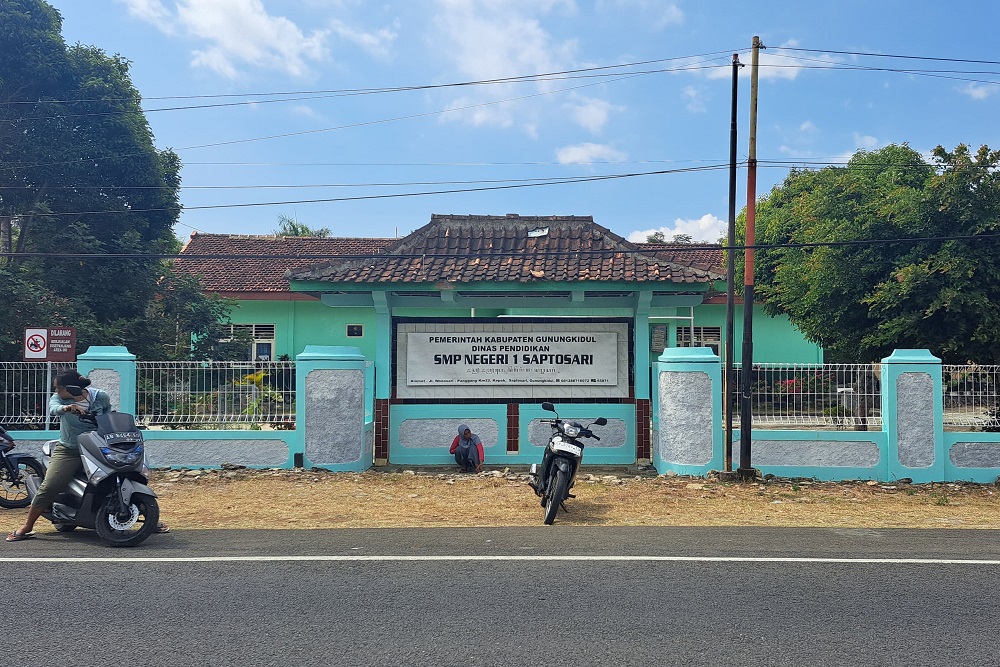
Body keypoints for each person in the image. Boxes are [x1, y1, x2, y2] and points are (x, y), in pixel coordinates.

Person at [6, 370, 168, 542]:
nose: (56, 391)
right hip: (70, 449)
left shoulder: (100, 397)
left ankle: (150, 518)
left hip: (97, 445)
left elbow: (109, 416)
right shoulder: (60, 399)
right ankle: (27, 526)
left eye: (58, 388)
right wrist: (67, 408)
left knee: (127, 474)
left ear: (69, 388)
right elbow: (53, 409)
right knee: (51, 485)